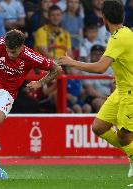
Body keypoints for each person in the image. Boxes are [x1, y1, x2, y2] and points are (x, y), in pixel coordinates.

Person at [0, 29, 61, 179]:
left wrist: (40, 82)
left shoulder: (31, 55)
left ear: (22, 46)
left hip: (7, 93)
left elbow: (57, 69)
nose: (10, 55)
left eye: (14, 52)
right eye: (8, 51)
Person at [58, 0, 133, 177]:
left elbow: (100, 68)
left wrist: (72, 62)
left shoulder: (118, 38)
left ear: (103, 17)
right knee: (99, 127)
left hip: (130, 92)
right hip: (121, 90)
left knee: (124, 136)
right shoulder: (125, 33)